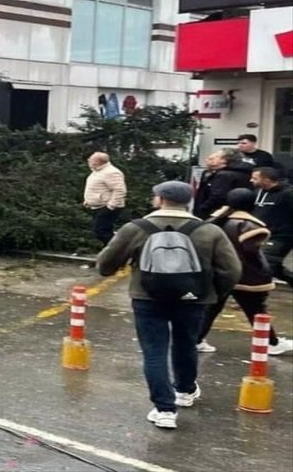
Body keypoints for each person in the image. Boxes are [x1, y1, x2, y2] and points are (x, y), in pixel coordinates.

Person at [96, 181, 241, 430]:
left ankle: (164, 409)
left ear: (160, 198)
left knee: (154, 351)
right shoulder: (209, 231)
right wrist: (213, 293)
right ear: (189, 200)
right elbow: (232, 270)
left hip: (147, 298)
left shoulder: (136, 228)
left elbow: (105, 265)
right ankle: (185, 391)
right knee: (186, 344)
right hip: (194, 298)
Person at [197, 188, 292, 355]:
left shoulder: (218, 220)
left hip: (220, 273)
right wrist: (263, 269)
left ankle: (196, 340)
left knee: (211, 308)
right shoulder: (250, 225)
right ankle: (271, 342)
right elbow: (251, 253)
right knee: (256, 310)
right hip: (247, 276)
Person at [252, 167, 293, 282]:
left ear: (266, 180)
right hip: (260, 234)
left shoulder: (288, 193)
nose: (251, 180)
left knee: (267, 262)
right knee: (269, 265)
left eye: (255, 178)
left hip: (281, 236)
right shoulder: (257, 192)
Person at [192, 149, 251, 218]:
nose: (211, 158)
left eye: (216, 156)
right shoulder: (243, 172)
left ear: (224, 160)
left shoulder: (224, 175)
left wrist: (203, 208)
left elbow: (218, 196)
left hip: (215, 214)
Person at [83, 152, 127, 244]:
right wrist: (88, 200)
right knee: (104, 231)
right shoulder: (97, 171)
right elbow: (97, 188)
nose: (88, 160)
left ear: (98, 161)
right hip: (97, 206)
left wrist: (111, 206)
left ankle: (119, 250)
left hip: (107, 207)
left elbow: (120, 190)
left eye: (91, 159)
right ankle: (112, 253)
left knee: (100, 231)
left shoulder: (111, 172)